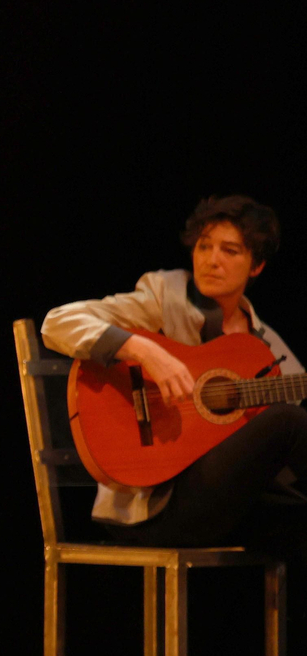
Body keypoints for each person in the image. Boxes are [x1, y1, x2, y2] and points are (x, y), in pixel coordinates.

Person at [41, 195, 307, 555]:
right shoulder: (166, 296)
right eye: (204, 246)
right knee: (289, 421)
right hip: (152, 505)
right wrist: (146, 351)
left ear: (256, 265)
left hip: (224, 507)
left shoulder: (268, 347)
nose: (211, 260)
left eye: (229, 250)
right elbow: (58, 322)